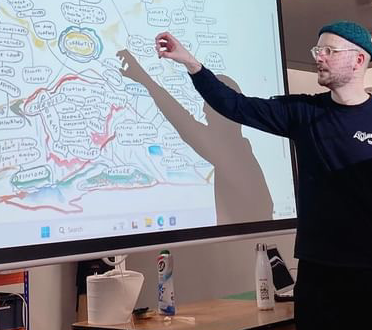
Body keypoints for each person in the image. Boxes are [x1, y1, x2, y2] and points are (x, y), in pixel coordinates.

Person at [153, 21, 372, 330]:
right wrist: (191, 64)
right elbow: (236, 106)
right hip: (318, 274)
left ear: (359, 59)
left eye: (329, 51)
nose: (319, 57)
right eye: (318, 50)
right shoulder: (303, 112)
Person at [116, 49, 273, 225]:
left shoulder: (232, 153)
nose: (204, 110)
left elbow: (183, 121)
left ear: (226, 111)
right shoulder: (241, 152)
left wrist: (144, 79)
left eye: (209, 105)